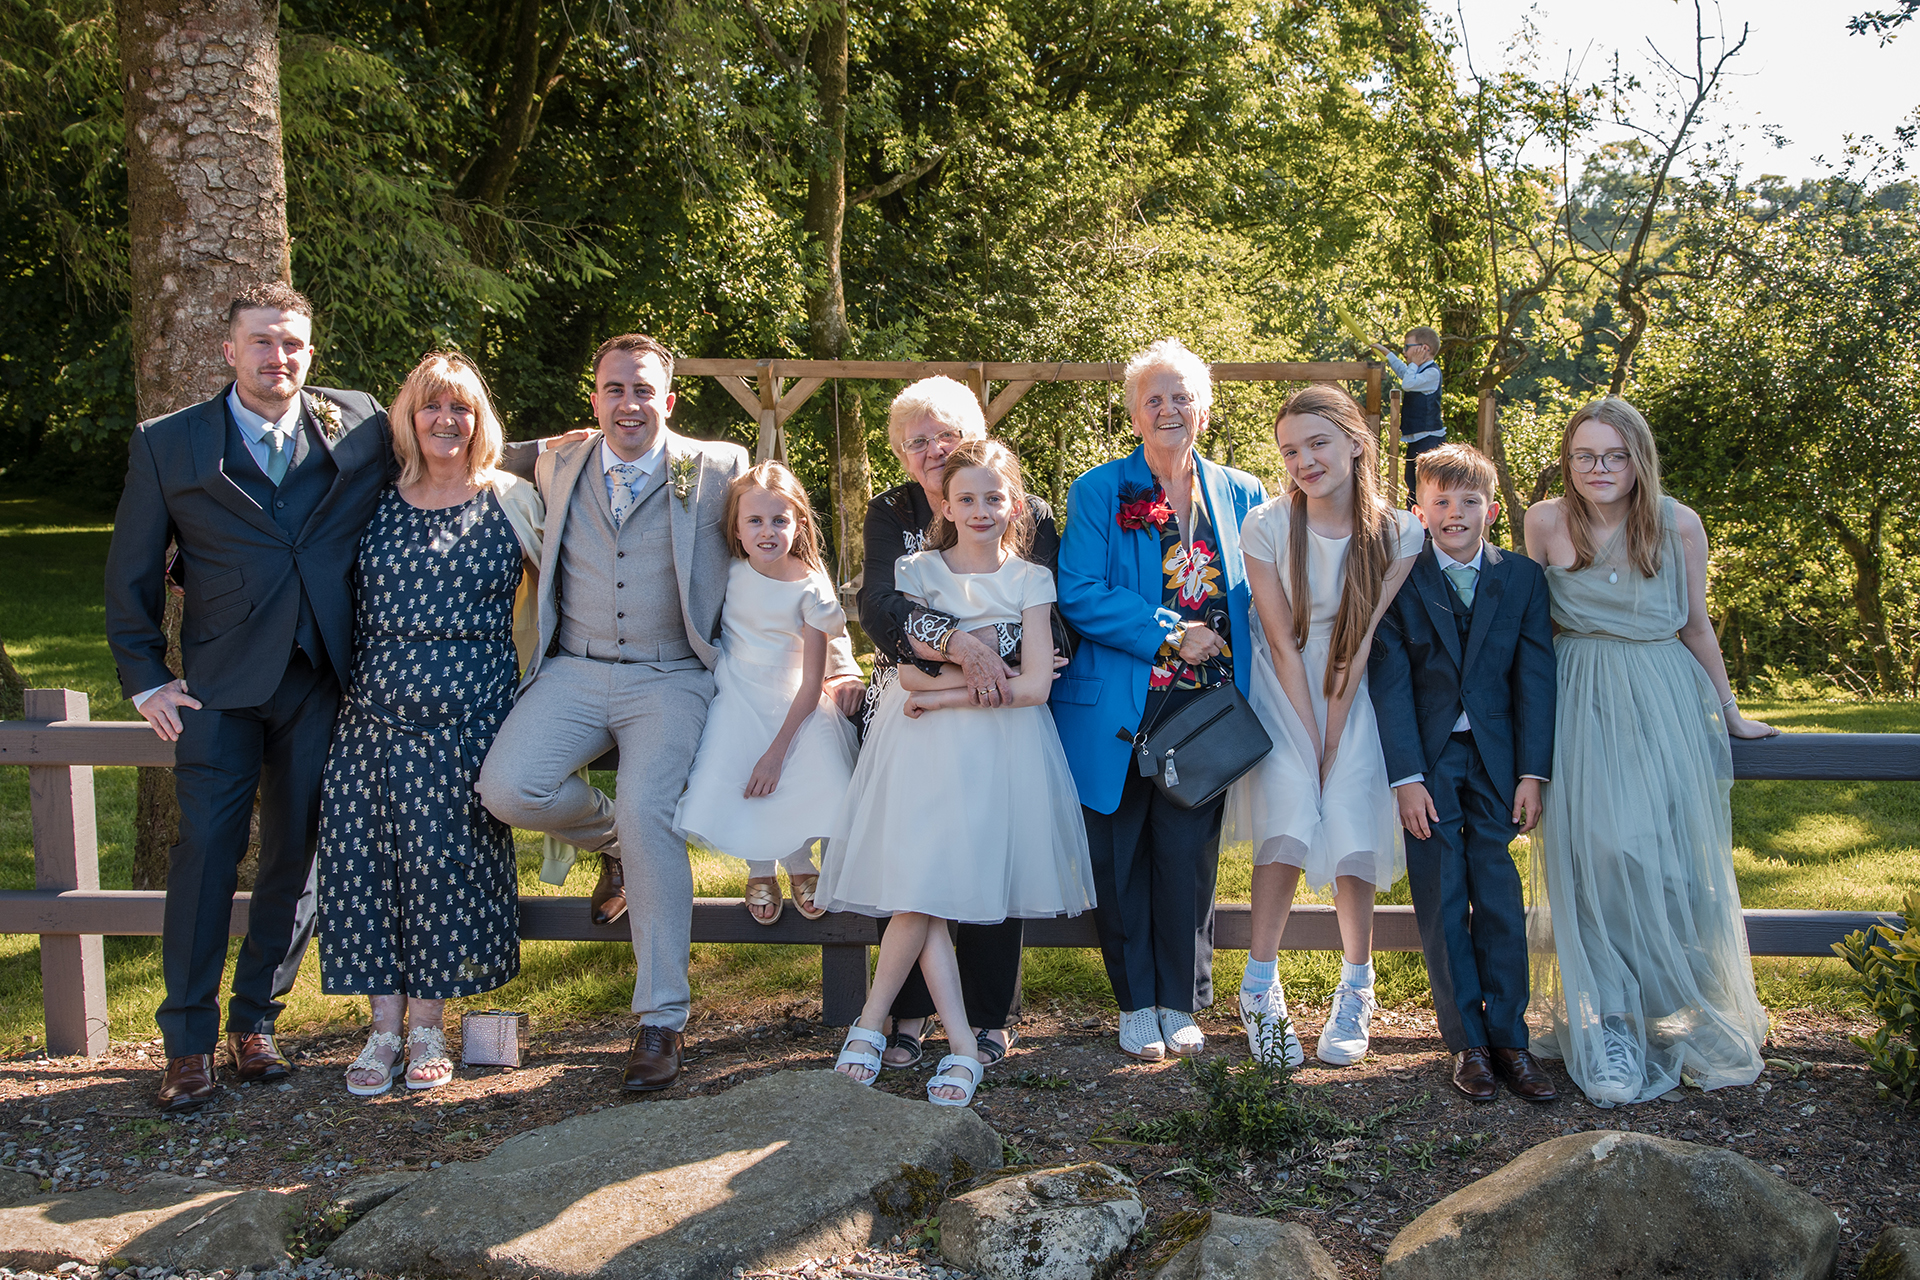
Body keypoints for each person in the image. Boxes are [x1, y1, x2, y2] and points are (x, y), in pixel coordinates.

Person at [103, 283, 541, 1112]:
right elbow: (129, 568)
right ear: (229, 350)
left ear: (310, 351)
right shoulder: (170, 444)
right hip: (217, 689)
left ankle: (256, 1024)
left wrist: (564, 446)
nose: (280, 358)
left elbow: (453, 444)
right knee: (205, 855)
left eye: (294, 344)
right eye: (263, 343)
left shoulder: (356, 421)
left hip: (321, 684)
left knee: (295, 859)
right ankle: (189, 1044)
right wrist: (145, 678)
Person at [475, 334, 863, 1094]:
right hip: (574, 668)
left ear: (669, 399)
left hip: (672, 676)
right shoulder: (560, 461)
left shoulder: (714, 465)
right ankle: (609, 839)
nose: (629, 403)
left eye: (644, 390)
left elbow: (792, 546)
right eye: (614, 389)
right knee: (508, 789)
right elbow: (474, 448)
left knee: (653, 811)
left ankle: (660, 1020)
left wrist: (843, 662)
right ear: (593, 398)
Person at [819, 439, 1094, 1106]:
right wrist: (941, 688)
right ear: (945, 503)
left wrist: (945, 694)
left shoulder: (1030, 579)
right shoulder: (916, 571)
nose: (980, 509)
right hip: (921, 747)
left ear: (1014, 504)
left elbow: (1033, 686)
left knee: (933, 891)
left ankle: (879, 1028)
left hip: (999, 749)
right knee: (923, 888)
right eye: (966, 498)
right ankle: (955, 1046)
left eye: (994, 498)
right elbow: (906, 669)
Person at [1523, 397, 1775, 1106]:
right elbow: (1531, 635)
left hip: (1662, 701)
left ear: (1638, 459)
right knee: (1591, 858)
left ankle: (1674, 1004)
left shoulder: (1677, 524)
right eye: (1584, 456)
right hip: (1579, 701)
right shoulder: (1544, 521)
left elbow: (1696, 626)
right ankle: (1607, 1021)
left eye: (1614, 456)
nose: (1598, 469)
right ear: (1568, 460)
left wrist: (1730, 712)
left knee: (1655, 855)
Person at [320, 353, 545, 1096]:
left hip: (469, 711)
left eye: (462, 409)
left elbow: (563, 586)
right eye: (431, 408)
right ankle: (382, 1029)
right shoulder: (370, 498)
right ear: (406, 419)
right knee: (371, 862)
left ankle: (427, 1027)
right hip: (372, 709)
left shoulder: (512, 498)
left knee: (444, 864)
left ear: (481, 421)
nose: (446, 422)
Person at [1054, 338, 1267, 1062]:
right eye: (1155, 399)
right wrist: (1174, 633)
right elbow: (1079, 591)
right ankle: (1133, 1002)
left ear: (1204, 409)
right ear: (1134, 415)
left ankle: (1179, 1000)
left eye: (1183, 397)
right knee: (1121, 861)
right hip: (1119, 706)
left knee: (1187, 861)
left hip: (1203, 711)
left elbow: (1262, 594)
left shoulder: (1242, 492)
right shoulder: (1098, 492)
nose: (1170, 409)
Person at [857, 375, 1064, 1070]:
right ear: (901, 452)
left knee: (991, 855)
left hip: (999, 704)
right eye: (918, 440)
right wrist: (962, 646)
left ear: (974, 435)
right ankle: (906, 1016)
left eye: (946, 434)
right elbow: (883, 607)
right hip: (917, 698)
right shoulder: (892, 516)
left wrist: (981, 659)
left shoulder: (1023, 509)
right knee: (913, 858)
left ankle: (984, 1014)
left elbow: (1045, 628)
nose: (934, 449)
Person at [1226, 385, 1420, 1069]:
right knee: (1288, 801)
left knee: (1347, 807)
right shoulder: (1268, 527)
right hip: (1284, 682)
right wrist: (1308, 742)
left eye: (1317, 443)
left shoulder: (1401, 533)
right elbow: (1281, 643)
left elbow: (1361, 643)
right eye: (1290, 450)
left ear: (1354, 443)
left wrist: (1335, 740)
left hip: (1357, 683)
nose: (1305, 460)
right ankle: (1258, 984)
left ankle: (1357, 984)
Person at [1367, 444, 1559, 1103]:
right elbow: (1388, 682)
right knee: (1443, 895)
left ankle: (1510, 1038)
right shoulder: (1402, 577)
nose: (1454, 513)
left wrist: (1533, 772)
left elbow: (1535, 681)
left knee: (1500, 895)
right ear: (1419, 511)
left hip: (1500, 763)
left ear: (1493, 509)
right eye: (1440, 502)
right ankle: (1466, 1043)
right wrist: (1406, 777)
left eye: (1468, 501)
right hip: (1430, 760)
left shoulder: (1523, 580)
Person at [673, 462, 858, 925]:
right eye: (754, 520)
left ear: (798, 523)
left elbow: (812, 681)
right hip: (736, 689)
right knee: (737, 766)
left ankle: (799, 864)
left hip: (794, 695)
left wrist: (777, 751)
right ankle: (761, 869)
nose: (768, 531)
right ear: (736, 528)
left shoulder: (811, 588)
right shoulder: (729, 573)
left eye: (780, 520)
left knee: (795, 773)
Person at [1372, 327, 1443, 501]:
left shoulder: (1432, 373)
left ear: (1423, 349)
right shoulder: (1418, 370)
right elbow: (1404, 372)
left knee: (1427, 486)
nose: (1404, 352)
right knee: (1412, 483)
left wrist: (1413, 364)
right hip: (1416, 438)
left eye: (1407, 347)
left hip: (1429, 438)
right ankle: (1416, 520)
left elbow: (1407, 383)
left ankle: (1426, 526)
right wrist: (1387, 353)